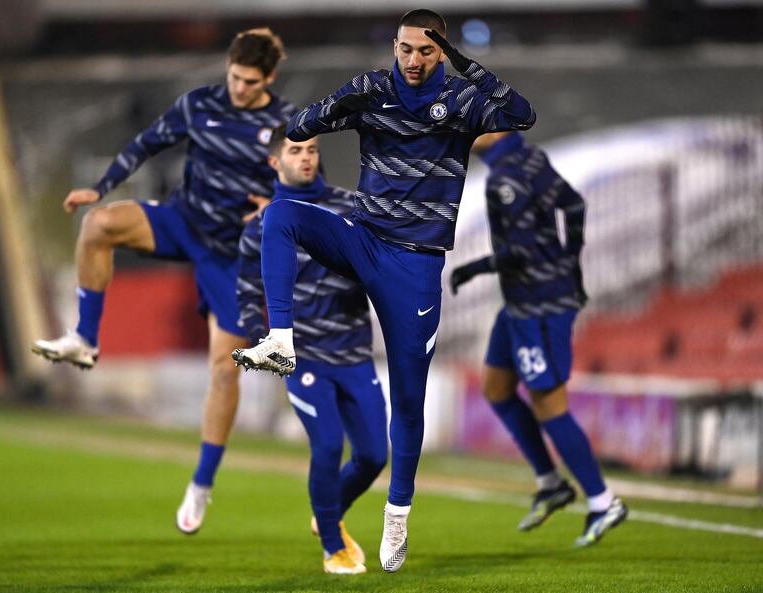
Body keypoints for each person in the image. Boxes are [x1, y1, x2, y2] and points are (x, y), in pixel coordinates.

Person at [231, 9, 536, 572]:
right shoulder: (372, 90)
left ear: (441, 52)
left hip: (414, 267)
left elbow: (523, 114)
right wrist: (330, 110)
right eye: (404, 50)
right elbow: (300, 129)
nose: (412, 61)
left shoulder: (464, 103)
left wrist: (474, 71)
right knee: (281, 217)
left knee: (410, 397)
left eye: (425, 51)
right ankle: (279, 338)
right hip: (364, 240)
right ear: (393, 47)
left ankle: (397, 513)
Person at [31, 28, 295, 535]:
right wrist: (100, 186)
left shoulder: (283, 122)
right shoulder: (199, 105)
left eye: (250, 81)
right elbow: (146, 143)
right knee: (98, 224)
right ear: (228, 68)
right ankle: (85, 339)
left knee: (224, 370)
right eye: (235, 77)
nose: (240, 88)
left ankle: (201, 483)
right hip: (184, 221)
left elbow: (306, 180)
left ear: (270, 79)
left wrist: (277, 208)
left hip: (231, 254)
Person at [450, 131, 628, 546]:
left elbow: (522, 253)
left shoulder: (504, 179)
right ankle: (551, 482)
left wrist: (471, 268)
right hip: (521, 304)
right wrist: (571, 266)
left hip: (540, 307)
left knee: (550, 406)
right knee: (496, 389)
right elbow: (574, 204)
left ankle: (603, 502)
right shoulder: (531, 158)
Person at [237, 125, 387, 575]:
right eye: (296, 150)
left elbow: (375, 263)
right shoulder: (263, 225)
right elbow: (245, 290)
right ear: (274, 162)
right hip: (306, 358)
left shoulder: (350, 208)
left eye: (312, 150)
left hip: (356, 353)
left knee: (375, 456)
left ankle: (327, 511)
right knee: (327, 446)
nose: (307, 158)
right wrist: (256, 333)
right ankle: (331, 547)